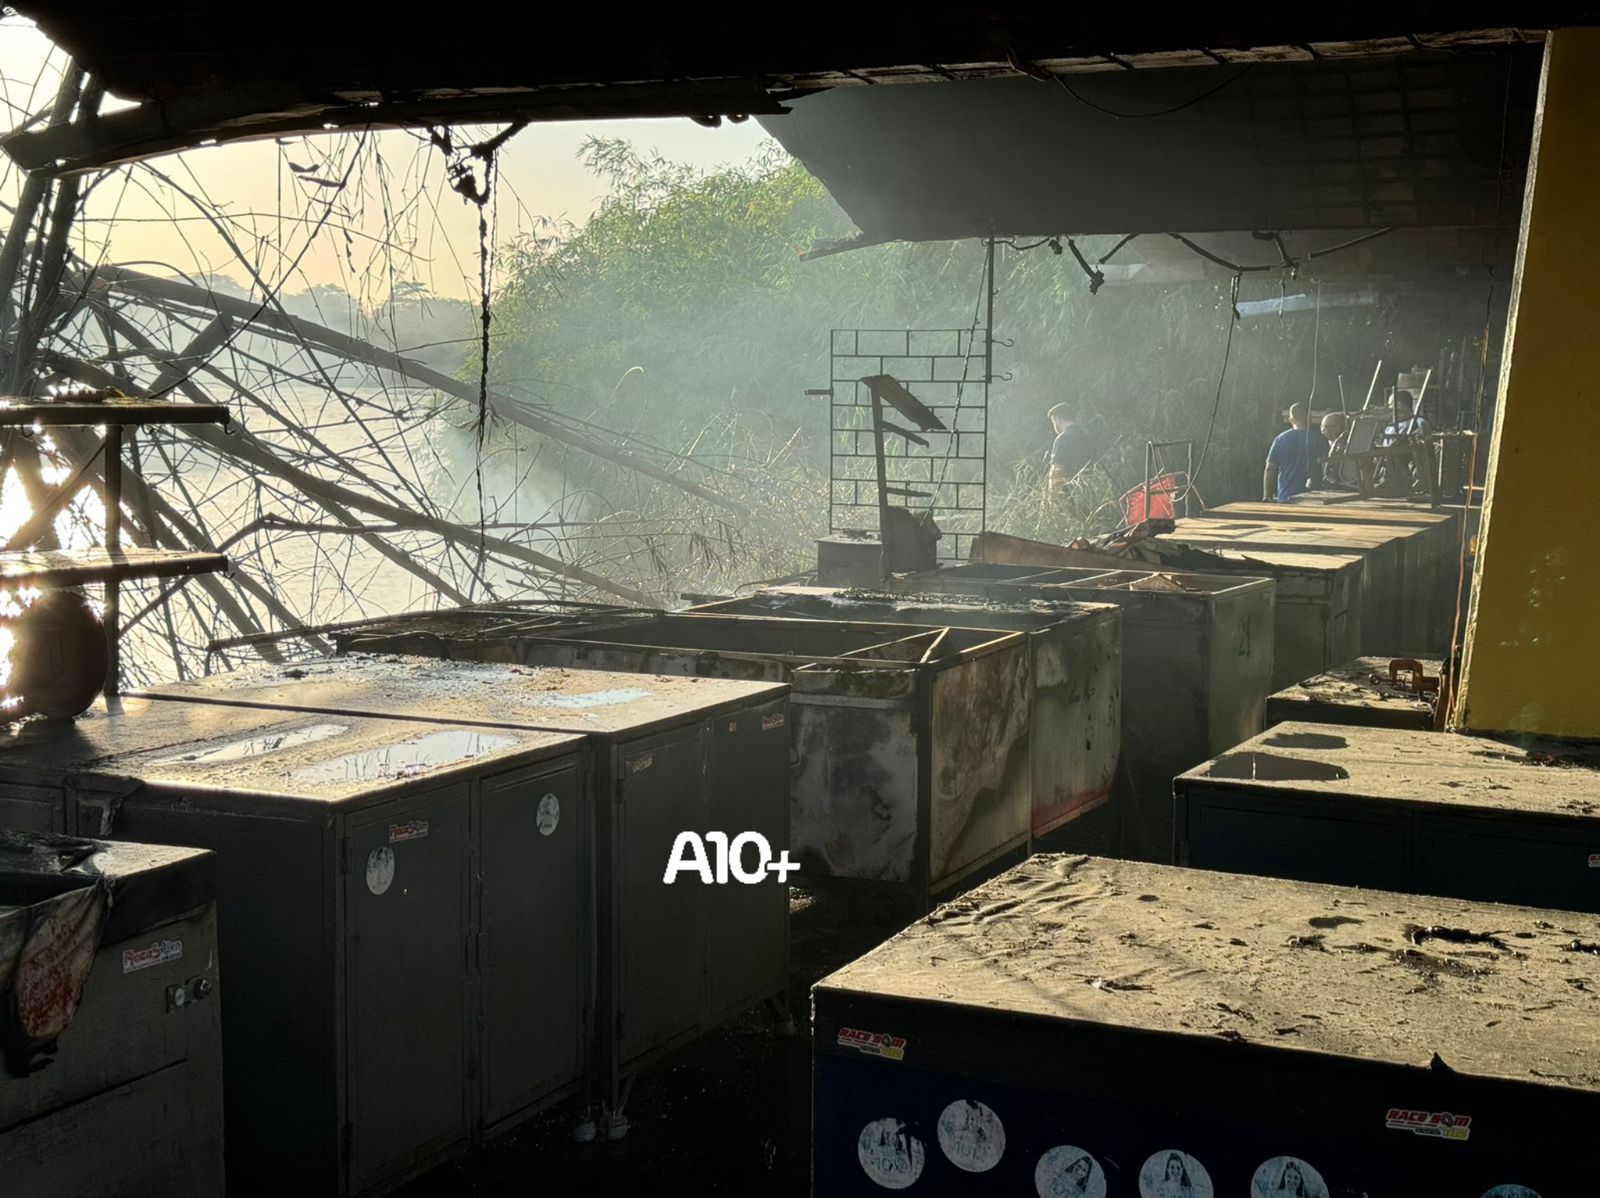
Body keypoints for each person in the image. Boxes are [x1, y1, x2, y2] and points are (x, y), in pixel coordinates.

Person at [1262, 402, 1325, 502]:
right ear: (1309, 418)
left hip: (1285, 496)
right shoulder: (1317, 439)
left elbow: (1270, 469)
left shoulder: (1280, 439)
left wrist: (1267, 495)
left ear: (1291, 420)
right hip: (1313, 498)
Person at [1046, 403, 1095, 494]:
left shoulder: (1062, 439)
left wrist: (1052, 498)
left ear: (1058, 420)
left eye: (1053, 422)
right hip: (1095, 489)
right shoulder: (1087, 434)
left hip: (1074, 494)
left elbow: (1057, 472)